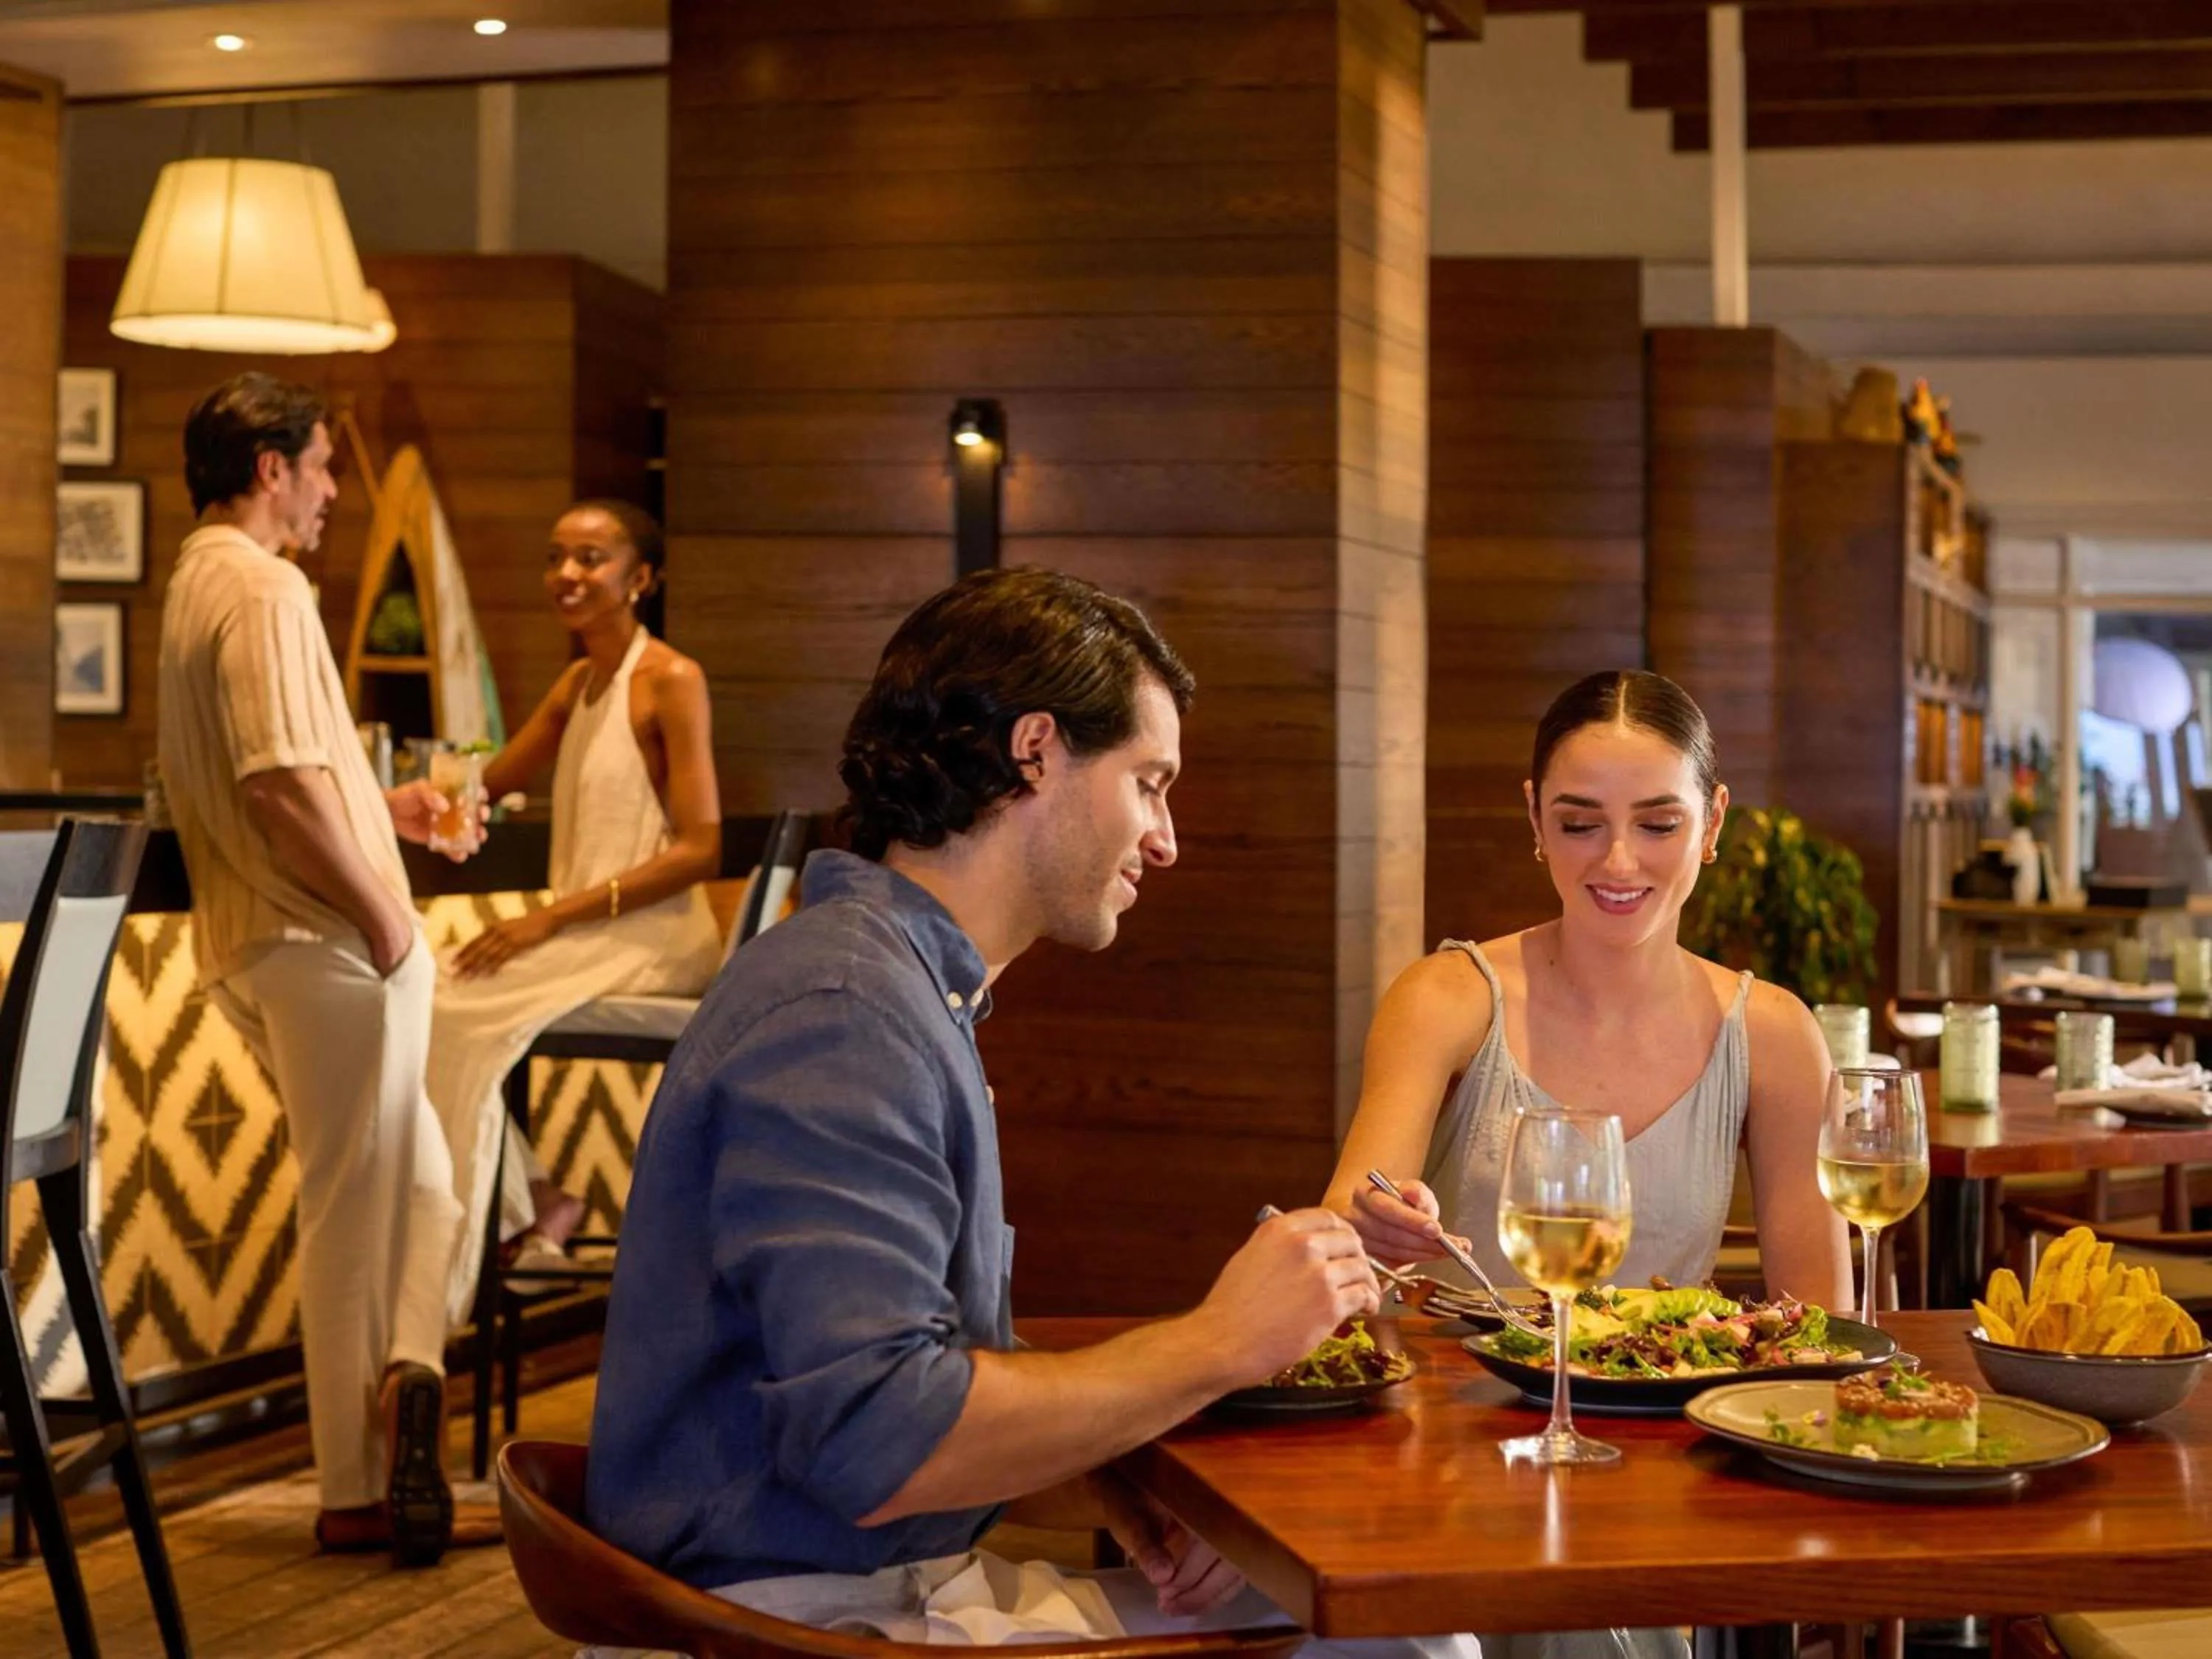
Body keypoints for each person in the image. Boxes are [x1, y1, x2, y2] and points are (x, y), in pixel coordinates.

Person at [587, 568, 1467, 1659]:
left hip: (860, 1589)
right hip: (796, 1623)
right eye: (1149, 783)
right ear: (1037, 750)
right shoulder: (846, 1011)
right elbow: (877, 1440)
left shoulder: (893, 985)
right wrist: (1221, 1342)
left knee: (1397, 1627)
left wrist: (1109, 1473)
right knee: (1411, 1640)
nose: (1165, 838)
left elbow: (906, 1390)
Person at [1325, 668, 1851, 1659]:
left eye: (1658, 823)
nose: (1618, 860)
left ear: (1712, 823)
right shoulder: (1445, 998)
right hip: (1447, 1456)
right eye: (1579, 823)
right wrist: (1376, 1228)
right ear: (1534, 818)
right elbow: (1343, 1249)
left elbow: (1817, 1327)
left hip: (1663, 1462)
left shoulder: (1775, 1034)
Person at [156, 372, 498, 1565]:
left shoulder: (194, 581)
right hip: (323, 941)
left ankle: (407, 1375)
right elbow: (276, 787)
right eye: (322, 466)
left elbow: (289, 779)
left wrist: (381, 807)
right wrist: (386, 918)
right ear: (271, 469)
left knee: (431, 1183)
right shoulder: (265, 585)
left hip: (265, 937)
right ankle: (354, 1489)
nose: (334, 490)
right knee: (355, 1204)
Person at [425, 500, 722, 1318]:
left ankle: (514, 1219)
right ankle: (534, 1203)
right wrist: (386, 793)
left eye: (591, 559)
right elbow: (488, 786)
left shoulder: (673, 679)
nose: (566, 574)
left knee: (439, 1005)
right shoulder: (578, 684)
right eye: (556, 557)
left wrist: (549, 919)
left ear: (641, 578)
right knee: (420, 1000)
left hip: (658, 941)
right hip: (592, 937)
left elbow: (702, 848)